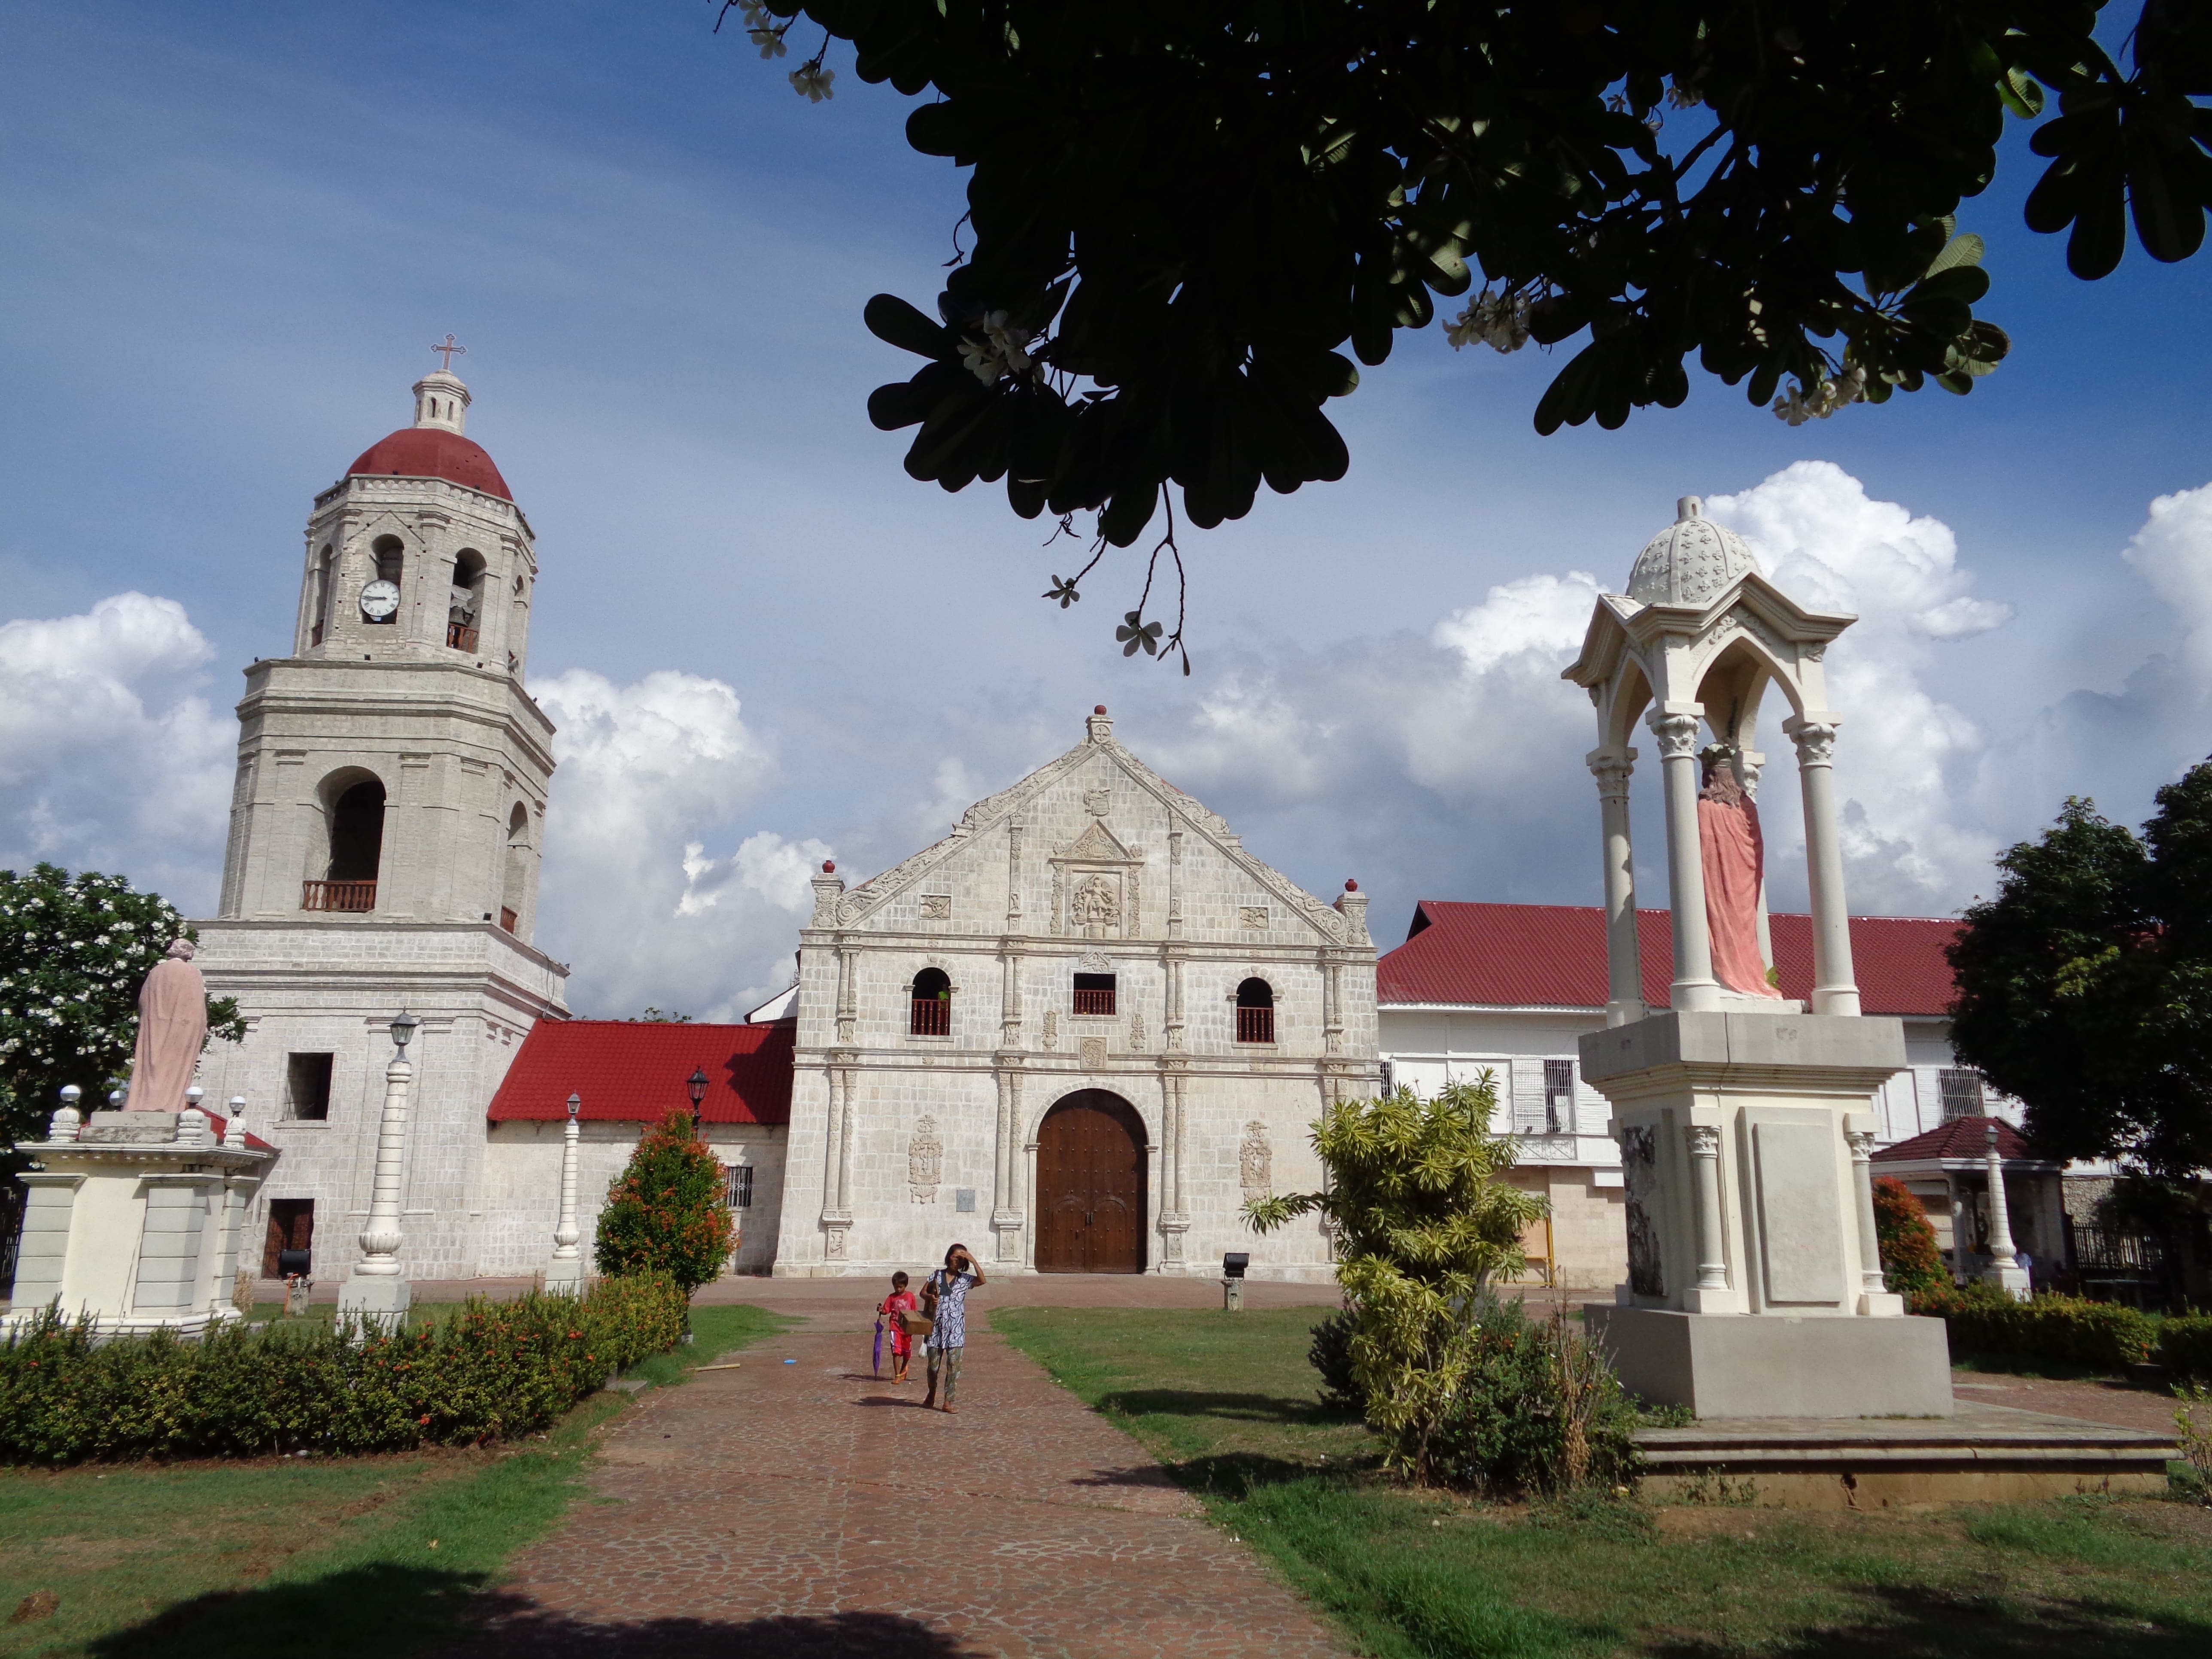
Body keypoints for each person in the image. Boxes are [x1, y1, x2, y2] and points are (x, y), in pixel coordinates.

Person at [920, 1242, 984, 1413]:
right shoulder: (936, 1275)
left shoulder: (965, 1280)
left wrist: (974, 1260)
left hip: (956, 1329)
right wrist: (930, 1297)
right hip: (936, 1328)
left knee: (953, 1367)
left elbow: (983, 1280)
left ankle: (948, 1401)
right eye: (955, 1256)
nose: (957, 1261)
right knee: (933, 1367)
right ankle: (932, 1392)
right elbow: (922, 1293)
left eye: (960, 1258)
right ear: (949, 1256)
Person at [877, 1270, 919, 1384]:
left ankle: (904, 1368)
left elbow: (914, 1312)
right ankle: (897, 1374)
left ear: (906, 1286)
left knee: (907, 1354)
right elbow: (887, 1310)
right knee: (896, 1351)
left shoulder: (910, 1297)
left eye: (901, 1287)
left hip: (907, 1329)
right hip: (895, 1327)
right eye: (896, 1287)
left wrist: (916, 1326)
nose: (898, 1290)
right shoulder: (891, 1298)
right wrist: (882, 1311)